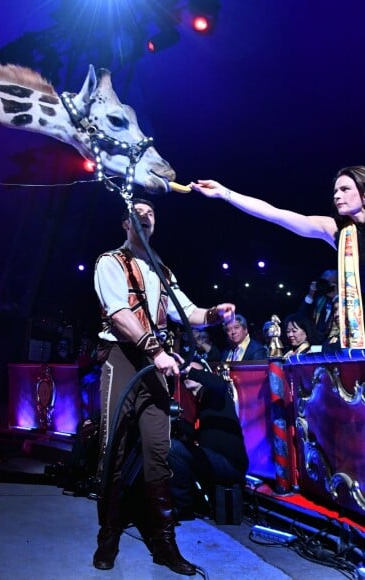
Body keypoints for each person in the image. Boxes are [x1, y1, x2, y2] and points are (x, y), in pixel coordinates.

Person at [93, 197, 235, 574]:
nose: (144, 217)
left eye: (151, 213)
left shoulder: (163, 270)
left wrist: (214, 314)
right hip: (123, 359)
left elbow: (186, 311)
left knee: (159, 450)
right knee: (114, 448)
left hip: (156, 364)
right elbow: (120, 314)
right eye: (137, 213)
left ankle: (165, 542)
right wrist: (156, 351)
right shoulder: (110, 262)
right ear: (125, 223)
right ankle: (107, 536)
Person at [190, 166, 365, 348]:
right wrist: (225, 193)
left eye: (345, 189)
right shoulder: (338, 231)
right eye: (335, 190)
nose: (337, 195)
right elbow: (274, 213)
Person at [168, 361, 249, 520]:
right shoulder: (200, 402)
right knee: (172, 448)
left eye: (195, 372)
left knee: (174, 449)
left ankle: (183, 508)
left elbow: (219, 384)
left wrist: (187, 369)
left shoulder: (215, 395)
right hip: (214, 460)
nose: (187, 376)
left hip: (230, 464)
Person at [298, 270, 338, 344]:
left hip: (333, 345)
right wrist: (311, 294)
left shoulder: (342, 301)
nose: (324, 285)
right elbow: (300, 317)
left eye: (327, 282)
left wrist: (336, 296)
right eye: (322, 282)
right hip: (316, 344)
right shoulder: (319, 301)